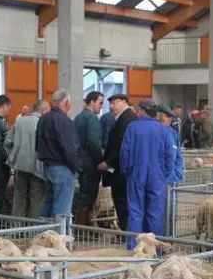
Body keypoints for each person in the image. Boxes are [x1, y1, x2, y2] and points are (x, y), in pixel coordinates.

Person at [120, 99, 175, 248]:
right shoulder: (163, 129)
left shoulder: (133, 127)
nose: (136, 112)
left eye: (138, 109)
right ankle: (153, 249)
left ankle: (133, 248)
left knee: (136, 211)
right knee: (155, 213)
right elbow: (169, 154)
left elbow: (125, 152)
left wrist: (126, 171)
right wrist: (165, 173)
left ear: (144, 110)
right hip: (157, 175)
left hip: (136, 173)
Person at [35, 89, 80, 219]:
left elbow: (37, 144)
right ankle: (58, 238)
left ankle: (44, 236)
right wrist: (76, 167)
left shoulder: (43, 119)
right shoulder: (64, 121)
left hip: (47, 167)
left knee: (48, 204)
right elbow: (69, 148)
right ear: (66, 103)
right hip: (63, 168)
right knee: (62, 210)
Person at [4, 99, 50, 219]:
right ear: (44, 110)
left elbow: (7, 142)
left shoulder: (19, 122)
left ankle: (16, 231)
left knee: (19, 199)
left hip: (19, 166)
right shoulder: (44, 124)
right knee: (36, 201)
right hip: (38, 168)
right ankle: (33, 232)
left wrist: (13, 159)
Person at [99, 93, 136, 230]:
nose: (111, 106)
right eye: (111, 103)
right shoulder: (123, 118)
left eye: (115, 102)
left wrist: (108, 162)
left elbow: (121, 144)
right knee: (122, 201)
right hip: (121, 168)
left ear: (124, 102)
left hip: (121, 170)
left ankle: (126, 232)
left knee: (122, 201)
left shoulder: (126, 119)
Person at [74, 91, 105, 226]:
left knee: (83, 194)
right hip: (91, 163)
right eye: (100, 103)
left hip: (79, 161)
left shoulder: (78, 117)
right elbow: (93, 142)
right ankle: (83, 228)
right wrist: (100, 160)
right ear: (91, 102)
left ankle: (82, 225)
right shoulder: (92, 119)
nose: (101, 106)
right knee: (89, 197)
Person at [157, 104, 184, 186]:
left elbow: (179, 156)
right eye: (166, 117)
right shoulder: (155, 132)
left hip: (172, 179)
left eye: (170, 117)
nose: (169, 120)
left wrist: (177, 173)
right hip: (159, 180)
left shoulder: (173, 133)